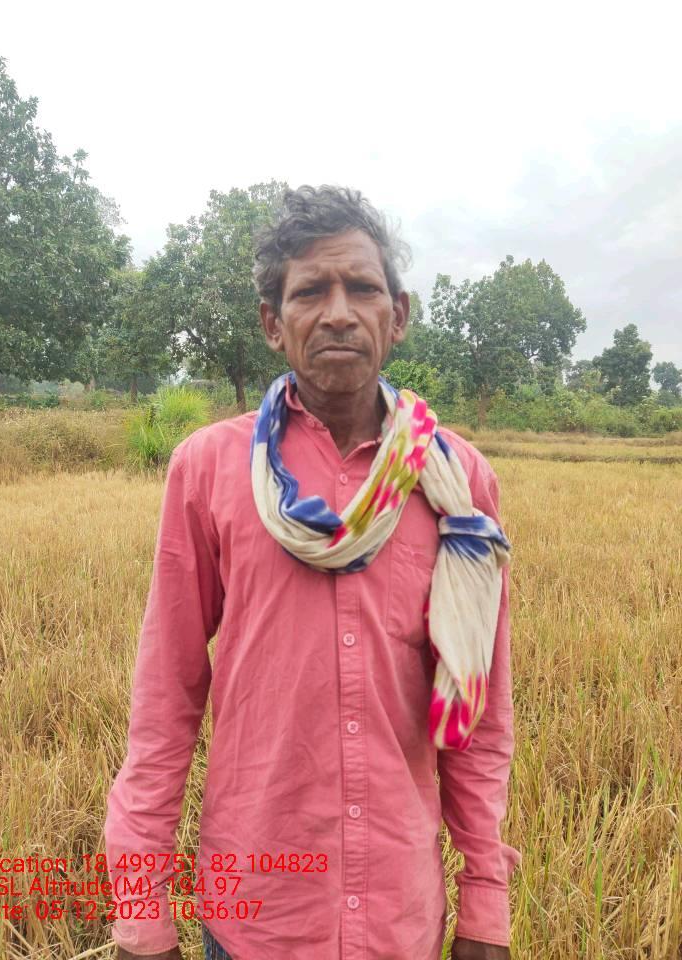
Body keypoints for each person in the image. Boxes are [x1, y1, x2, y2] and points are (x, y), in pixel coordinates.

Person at [104, 185, 521, 960]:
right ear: (273, 323)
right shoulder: (210, 469)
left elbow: (481, 712)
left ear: (397, 316)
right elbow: (164, 702)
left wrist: (485, 905)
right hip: (256, 914)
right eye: (309, 292)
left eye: (362, 288)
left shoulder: (459, 484)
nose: (338, 313)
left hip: (401, 917)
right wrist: (140, 909)